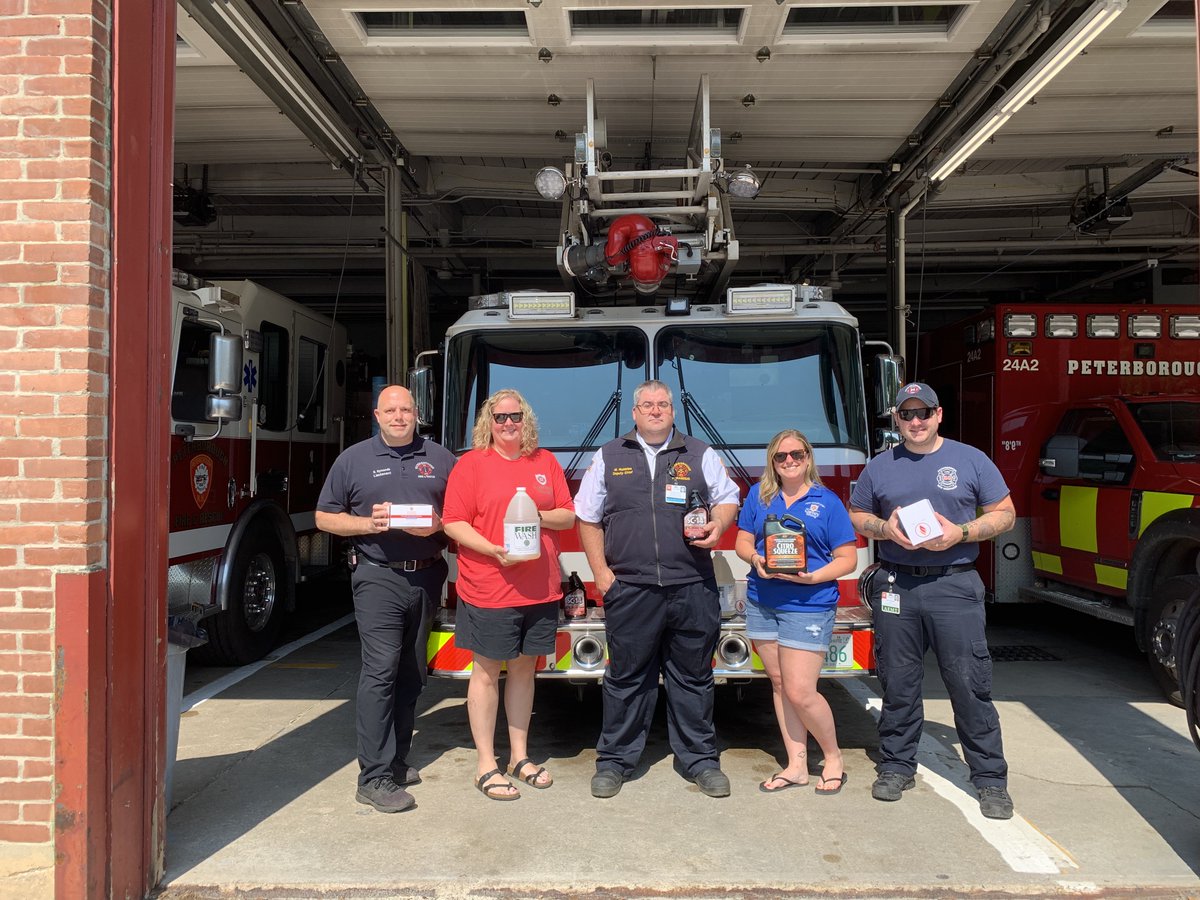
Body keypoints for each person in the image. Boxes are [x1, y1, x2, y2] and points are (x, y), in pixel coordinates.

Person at [849, 382, 1017, 820]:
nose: (916, 421)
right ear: (897, 420)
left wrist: (960, 533)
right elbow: (857, 515)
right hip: (896, 584)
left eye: (923, 412)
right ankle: (896, 766)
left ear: (939, 414)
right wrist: (886, 530)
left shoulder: (970, 460)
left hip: (955, 584)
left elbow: (1005, 513)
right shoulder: (879, 467)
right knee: (898, 682)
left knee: (968, 682)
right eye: (907, 415)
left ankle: (990, 780)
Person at [575, 379, 740, 798]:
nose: (654, 411)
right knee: (626, 679)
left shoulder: (700, 453)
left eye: (662, 404)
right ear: (634, 412)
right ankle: (614, 762)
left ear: (672, 411)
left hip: (691, 587)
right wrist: (602, 574)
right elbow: (587, 517)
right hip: (630, 589)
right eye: (646, 405)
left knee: (694, 678)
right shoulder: (609, 455)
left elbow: (728, 498)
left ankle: (700, 761)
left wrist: (718, 524)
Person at [315, 385, 456, 813]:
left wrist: (437, 525)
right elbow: (323, 517)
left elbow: (463, 517)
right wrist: (366, 526)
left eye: (406, 409)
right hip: (377, 577)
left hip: (428, 576)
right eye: (390, 410)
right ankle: (373, 777)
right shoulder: (353, 459)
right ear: (377, 415)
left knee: (412, 672)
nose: (399, 416)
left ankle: (395, 760)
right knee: (380, 670)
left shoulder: (441, 458)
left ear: (418, 413)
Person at [441, 389, 575, 801]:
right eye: (499, 418)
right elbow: (453, 523)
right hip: (488, 586)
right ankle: (486, 764)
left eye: (514, 416)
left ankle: (519, 756)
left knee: (523, 670)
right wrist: (492, 550)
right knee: (485, 673)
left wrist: (536, 513)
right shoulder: (471, 465)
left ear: (526, 419)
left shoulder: (545, 462)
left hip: (538, 587)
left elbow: (568, 514)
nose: (508, 424)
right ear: (488, 422)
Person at [734, 429, 856, 796]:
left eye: (797, 455)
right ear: (772, 461)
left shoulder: (827, 501)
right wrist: (756, 559)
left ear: (808, 458)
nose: (789, 461)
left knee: (802, 691)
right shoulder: (759, 495)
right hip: (762, 601)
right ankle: (797, 765)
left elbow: (847, 558)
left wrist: (814, 577)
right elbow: (742, 540)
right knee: (780, 684)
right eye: (781, 456)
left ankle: (832, 758)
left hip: (809, 605)